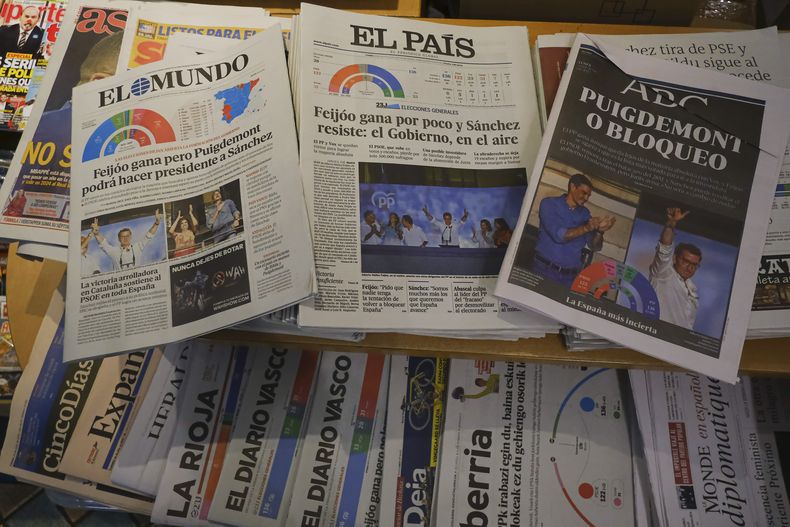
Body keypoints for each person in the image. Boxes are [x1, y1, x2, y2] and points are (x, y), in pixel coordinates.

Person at [532, 174, 616, 287]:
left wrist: (600, 231)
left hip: (569, 278)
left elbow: (595, 246)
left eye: (589, 195)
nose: (586, 198)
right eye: (584, 193)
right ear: (573, 187)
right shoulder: (549, 204)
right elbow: (559, 237)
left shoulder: (585, 214)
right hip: (543, 270)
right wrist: (587, 227)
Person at [649, 207, 701, 329]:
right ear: (674, 258)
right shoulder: (664, 274)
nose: (690, 268)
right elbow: (664, 248)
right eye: (685, 261)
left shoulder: (692, 289)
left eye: (694, 265)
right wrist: (671, 224)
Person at [93, 209, 162, 271]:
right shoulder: (114, 251)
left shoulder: (138, 247)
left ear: (130, 236)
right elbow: (104, 244)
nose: (125, 238)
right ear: (119, 239)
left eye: (127, 236)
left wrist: (156, 223)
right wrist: (96, 234)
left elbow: (149, 235)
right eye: (123, 236)